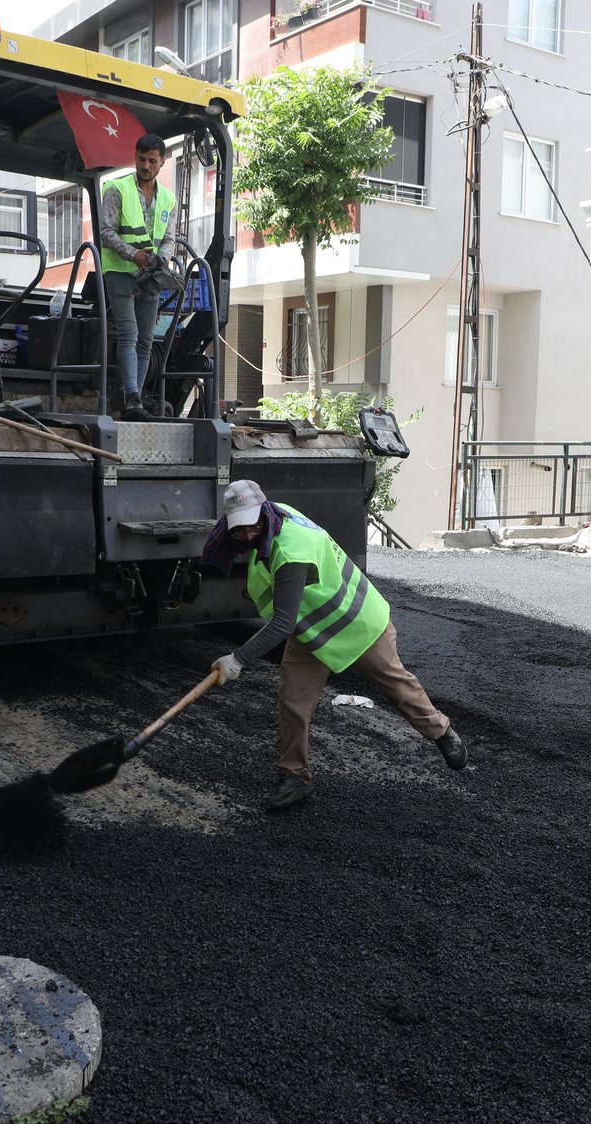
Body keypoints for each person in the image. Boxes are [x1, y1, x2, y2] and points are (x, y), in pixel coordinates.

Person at [202, 479, 467, 811]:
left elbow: (282, 622)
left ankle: (441, 732)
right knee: (293, 701)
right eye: (239, 531)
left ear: (263, 511)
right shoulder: (273, 519)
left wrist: (237, 659)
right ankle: (294, 777)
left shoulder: (290, 550)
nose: (248, 535)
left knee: (398, 686)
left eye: (252, 526)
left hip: (356, 620)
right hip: (313, 626)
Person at [98, 134, 177, 422]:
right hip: (121, 272)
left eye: (152, 161)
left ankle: (136, 399)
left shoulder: (168, 198)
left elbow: (169, 238)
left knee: (146, 339)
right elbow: (106, 232)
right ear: (135, 157)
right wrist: (134, 255)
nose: (146, 165)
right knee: (129, 335)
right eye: (141, 159)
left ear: (162, 163)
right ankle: (132, 397)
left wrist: (162, 258)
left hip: (150, 276)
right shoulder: (116, 189)